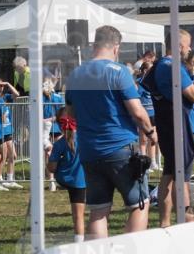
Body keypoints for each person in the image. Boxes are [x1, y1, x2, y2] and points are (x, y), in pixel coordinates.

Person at [65, 25, 157, 238]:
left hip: (89, 150)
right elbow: (137, 111)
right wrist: (151, 132)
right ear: (116, 47)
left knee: (98, 210)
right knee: (139, 204)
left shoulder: (75, 74)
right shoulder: (119, 72)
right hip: (120, 147)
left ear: (94, 45)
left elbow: (70, 114)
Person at [152, 28, 194, 226]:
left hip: (172, 123)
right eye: (188, 45)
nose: (189, 49)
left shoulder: (163, 65)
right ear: (180, 45)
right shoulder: (172, 66)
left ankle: (185, 215)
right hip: (175, 124)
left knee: (177, 173)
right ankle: (167, 221)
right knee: (173, 173)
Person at [46, 112, 86, 243]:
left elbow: (51, 168)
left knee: (78, 216)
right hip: (89, 178)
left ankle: (79, 242)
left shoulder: (59, 144)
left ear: (59, 125)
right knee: (99, 212)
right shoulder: (87, 138)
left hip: (72, 181)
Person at [0, 77, 20, 191]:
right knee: (1, 156)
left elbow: (17, 95)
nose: (1, 87)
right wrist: (4, 116)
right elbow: (3, 116)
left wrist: (7, 84)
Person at [42, 79, 65, 191]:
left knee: (53, 154)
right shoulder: (44, 98)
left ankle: (55, 179)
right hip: (51, 128)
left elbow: (60, 113)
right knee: (53, 153)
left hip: (52, 127)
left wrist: (48, 120)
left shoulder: (54, 98)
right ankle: (53, 180)